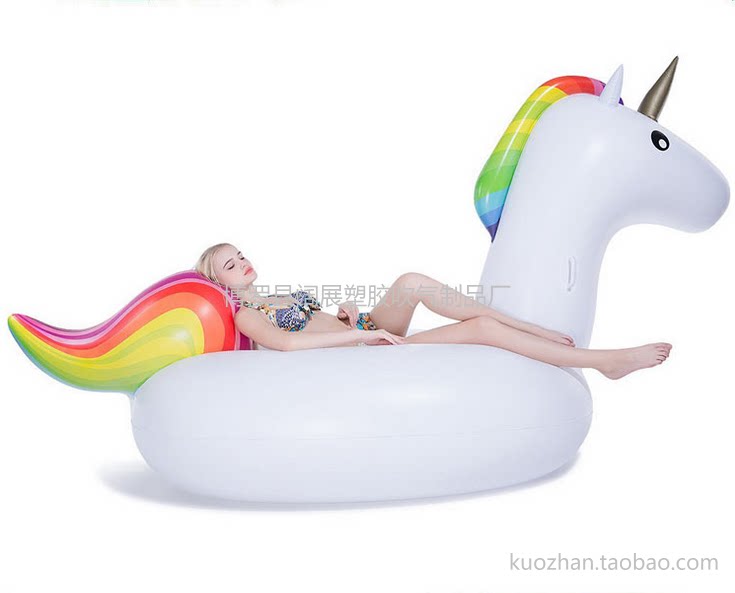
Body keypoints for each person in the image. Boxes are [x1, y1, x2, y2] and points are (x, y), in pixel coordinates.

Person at [195, 243, 671, 380]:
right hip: (367, 351)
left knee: (411, 281)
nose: (243, 263)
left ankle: (527, 326)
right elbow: (288, 344)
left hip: (365, 332)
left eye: (241, 255)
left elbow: (313, 327)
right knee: (480, 329)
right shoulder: (246, 316)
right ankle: (604, 362)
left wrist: (348, 318)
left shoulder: (275, 296)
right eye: (230, 265)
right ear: (219, 282)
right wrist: (359, 337)